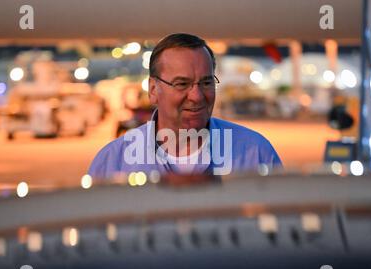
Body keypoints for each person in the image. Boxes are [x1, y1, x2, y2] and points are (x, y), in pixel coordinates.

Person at [89, 33, 281, 179]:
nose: (196, 96)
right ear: (153, 90)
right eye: (182, 84)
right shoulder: (111, 163)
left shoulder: (256, 153)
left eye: (206, 83)